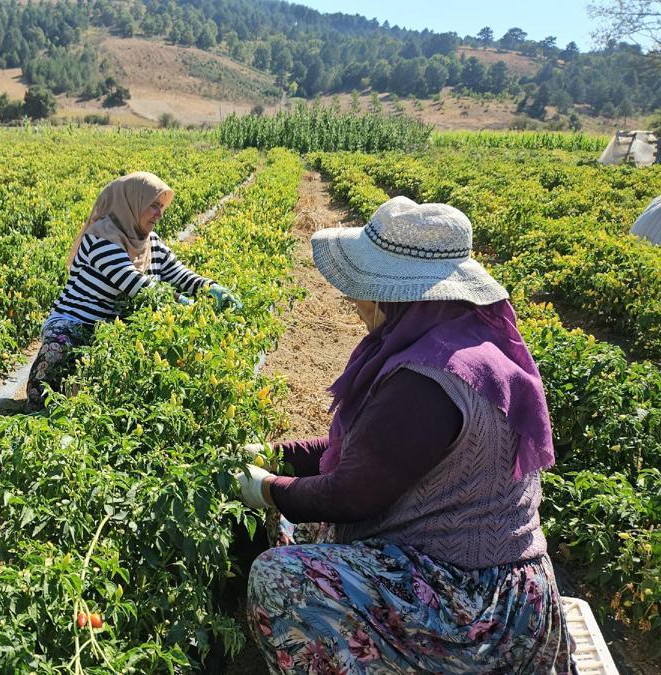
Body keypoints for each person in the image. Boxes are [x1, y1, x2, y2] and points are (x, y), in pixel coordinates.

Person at [232, 196, 574, 673]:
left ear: (396, 293)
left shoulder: (428, 379)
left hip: (475, 609)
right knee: (300, 527)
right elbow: (365, 453)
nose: (354, 301)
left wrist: (265, 488)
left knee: (280, 574)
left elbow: (352, 495)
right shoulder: (461, 341)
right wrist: (275, 455)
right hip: (496, 579)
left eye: (363, 287)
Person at [25, 171, 241, 409]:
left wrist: (209, 287)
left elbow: (177, 273)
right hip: (75, 324)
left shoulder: (150, 242)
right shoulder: (100, 239)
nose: (159, 214)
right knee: (49, 381)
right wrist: (183, 303)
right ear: (132, 203)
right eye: (153, 206)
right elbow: (135, 283)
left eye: (161, 207)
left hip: (110, 334)